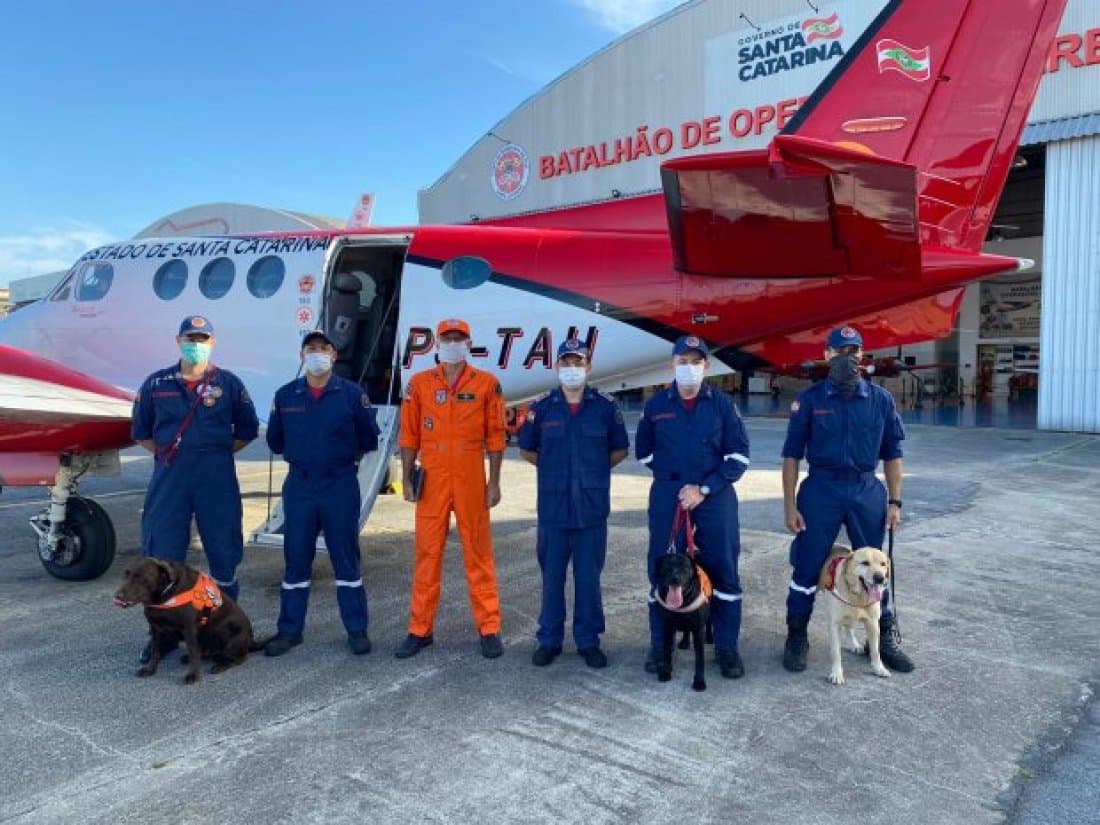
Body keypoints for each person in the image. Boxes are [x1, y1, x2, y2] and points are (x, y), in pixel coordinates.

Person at [780, 325, 914, 674]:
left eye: (853, 351)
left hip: (866, 490)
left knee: (875, 569)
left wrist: (895, 502)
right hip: (821, 490)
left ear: (862, 356)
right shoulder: (809, 400)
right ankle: (796, 635)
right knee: (808, 565)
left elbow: (893, 454)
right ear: (827, 355)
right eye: (840, 351)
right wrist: (790, 504)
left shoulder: (881, 400)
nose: (847, 358)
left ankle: (881, 639)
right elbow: (792, 455)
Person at [131, 315, 259, 663]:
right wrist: (173, 455)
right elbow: (141, 431)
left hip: (215, 476)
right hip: (170, 476)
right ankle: (163, 636)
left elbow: (246, 430)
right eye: (190, 337)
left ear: (212, 343)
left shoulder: (229, 384)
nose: (196, 343)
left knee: (223, 551)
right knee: (162, 555)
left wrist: (213, 453)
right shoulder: (156, 383)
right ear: (178, 340)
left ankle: (224, 628)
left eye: (202, 338)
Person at [635, 335, 751, 679]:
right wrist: (675, 481)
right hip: (669, 496)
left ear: (706, 366)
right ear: (672, 364)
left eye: (695, 361)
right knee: (662, 569)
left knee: (724, 570)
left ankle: (726, 648)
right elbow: (644, 453)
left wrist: (703, 487)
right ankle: (661, 646)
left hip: (715, 497)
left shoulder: (722, 405)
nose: (689, 367)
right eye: (682, 361)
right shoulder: (656, 406)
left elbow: (740, 456)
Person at [395, 318, 508, 659]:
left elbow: (496, 437)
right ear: (437, 343)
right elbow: (409, 436)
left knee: (479, 553)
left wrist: (494, 482)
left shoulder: (487, 384)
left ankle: (489, 628)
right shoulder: (419, 385)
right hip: (433, 478)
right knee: (427, 554)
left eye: (459, 338)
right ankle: (420, 629)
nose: (453, 343)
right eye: (448, 338)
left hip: (471, 476)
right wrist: (406, 478)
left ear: (468, 343)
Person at [263, 331, 380, 657]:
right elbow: (275, 441)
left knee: (345, 558)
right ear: (302, 355)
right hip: (300, 486)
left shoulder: (352, 395)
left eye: (323, 348)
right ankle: (289, 631)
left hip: (339, 484)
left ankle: (357, 629)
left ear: (334, 355)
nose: (317, 354)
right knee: (296, 559)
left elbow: (369, 438)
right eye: (310, 349)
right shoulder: (286, 396)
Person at [517, 339, 629, 668]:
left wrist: (590, 470)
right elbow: (527, 449)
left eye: (577, 364)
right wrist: (556, 470)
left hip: (591, 511)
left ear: (588, 367)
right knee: (552, 580)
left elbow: (619, 450)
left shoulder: (605, 408)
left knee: (589, 580)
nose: (571, 370)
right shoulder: (542, 408)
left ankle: (588, 640)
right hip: (553, 511)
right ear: (557, 368)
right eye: (566, 364)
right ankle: (549, 639)